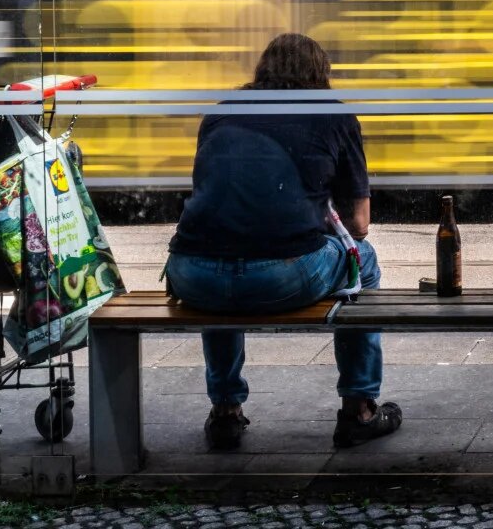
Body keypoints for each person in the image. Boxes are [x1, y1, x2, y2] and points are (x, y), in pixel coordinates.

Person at [165, 33, 402, 451]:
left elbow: (217, 201)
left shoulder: (220, 115)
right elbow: (360, 225)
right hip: (278, 278)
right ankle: (360, 408)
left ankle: (225, 411)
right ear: (321, 75)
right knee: (362, 259)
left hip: (193, 275)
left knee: (221, 249)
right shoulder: (333, 115)